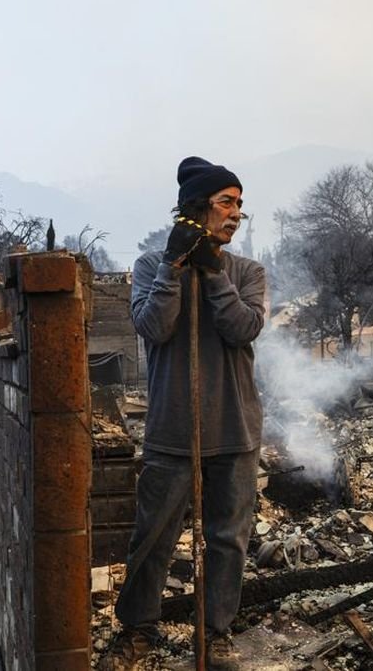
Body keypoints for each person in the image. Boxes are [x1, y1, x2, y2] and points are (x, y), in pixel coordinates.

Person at [104, 157, 268, 670]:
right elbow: (154, 328)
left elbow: (242, 328)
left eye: (240, 203)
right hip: (173, 429)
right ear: (197, 209)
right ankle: (137, 631)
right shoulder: (153, 266)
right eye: (226, 202)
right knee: (152, 537)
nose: (237, 213)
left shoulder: (247, 271)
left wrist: (214, 273)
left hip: (234, 428)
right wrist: (176, 269)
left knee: (227, 540)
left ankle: (216, 634)